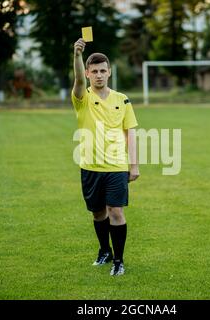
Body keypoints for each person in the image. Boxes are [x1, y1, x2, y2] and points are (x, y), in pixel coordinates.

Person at [72, 38, 139, 276]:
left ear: (109, 73)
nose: (99, 75)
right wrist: (78, 55)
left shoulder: (123, 100)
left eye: (103, 71)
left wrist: (134, 165)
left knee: (116, 212)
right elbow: (78, 80)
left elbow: (131, 133)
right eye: (95, 71)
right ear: (89, 74)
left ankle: (118, 261)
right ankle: (104, 251)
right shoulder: (83, 99)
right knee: (98, 213)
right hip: (90, 166)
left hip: (116, 166)